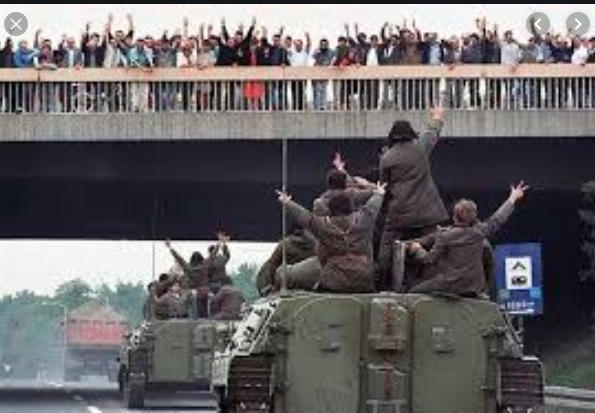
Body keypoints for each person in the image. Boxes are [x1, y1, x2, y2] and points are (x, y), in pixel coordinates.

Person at [406, 182, 529, 297]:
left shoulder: (445, 236)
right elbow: (498, 218)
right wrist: (513, 198)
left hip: (450, 286)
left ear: (454, 216)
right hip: (474, 287)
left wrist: (417, 249)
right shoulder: (479, 232)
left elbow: (429, 259)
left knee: (413, 292)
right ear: (474, 217)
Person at [377, 106, 448, 292]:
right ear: (410, 133)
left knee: (385, 250)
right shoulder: (420, 147)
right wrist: (437, 116)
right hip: (428, 212)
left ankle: (382, 285)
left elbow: (384, 187)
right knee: (436, 244)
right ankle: (437, 282)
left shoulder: (386, 158)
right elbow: (433, 132)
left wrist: (385, 211)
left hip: (399, 213)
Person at [276, 182, 386, 293]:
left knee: (285, 274)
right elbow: (373, 206)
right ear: (351, 208)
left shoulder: (323, 225)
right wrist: (379, 193)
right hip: (364, 280)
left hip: (333, 283)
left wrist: (286, 202)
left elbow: (304, 216)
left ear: (330, 210)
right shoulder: (364, 219)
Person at [256, 223, 316, 295]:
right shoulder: (285, 245)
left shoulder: (285, 244)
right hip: (292, 286)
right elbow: (271, 268)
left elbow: (271, 267)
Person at [165, 240, 209, 317]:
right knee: (204, 308)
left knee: (188, 306)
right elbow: (212, 257)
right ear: (201, 259)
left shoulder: (188, 267)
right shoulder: (204, 267)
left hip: (189, 292)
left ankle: (186, 316)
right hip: (203, 291)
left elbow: (179, 258)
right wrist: (218, 245)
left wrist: (170, 247)